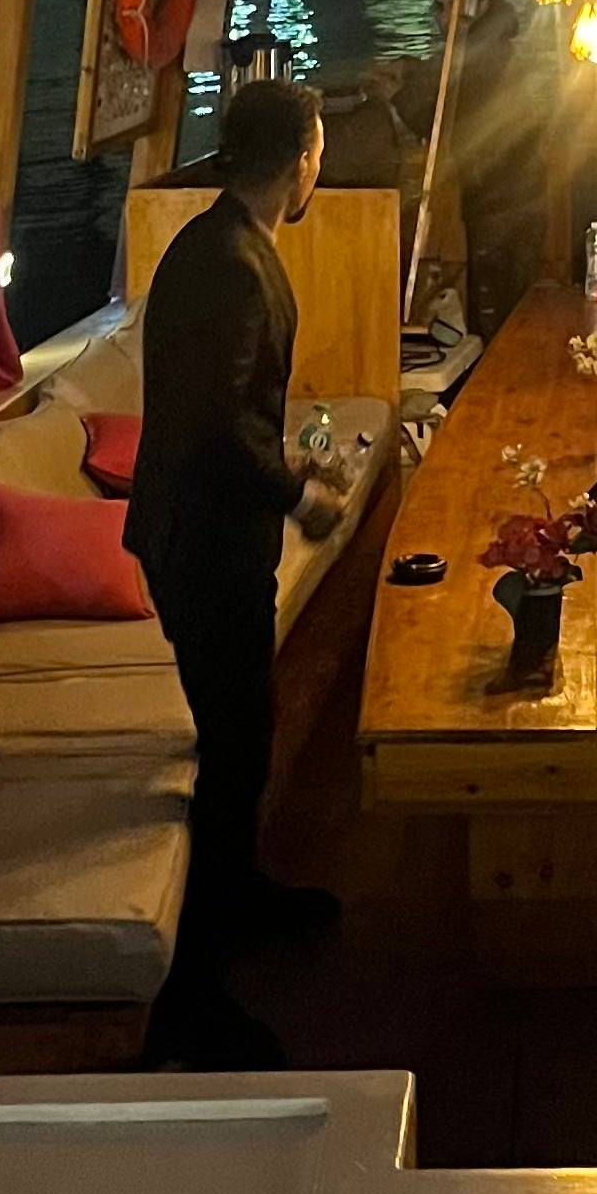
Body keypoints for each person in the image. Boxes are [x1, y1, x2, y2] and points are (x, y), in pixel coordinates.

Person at [128, 77, 348, 1067]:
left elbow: (228, 413)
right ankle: (192, 1004)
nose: (321, 166)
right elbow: (215, 426)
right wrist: (297, 494)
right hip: (203, 543)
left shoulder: (226, 245)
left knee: (244, 732)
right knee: (232, 747)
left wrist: (287, 465)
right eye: (320, 149)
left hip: (214, 536)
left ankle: (243, 893)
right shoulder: (225, 265)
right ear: (299, 155)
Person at [400, 0, 542, 338]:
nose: (441, 18)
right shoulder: (492, 48)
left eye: (449, 7)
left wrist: (397, 93)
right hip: (509, 198)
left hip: (499, 201)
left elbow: (440, 115)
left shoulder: (480, 56)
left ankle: (496, 389)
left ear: (480, 7)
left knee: (496, 316)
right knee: (502, 311)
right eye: (439, 7)